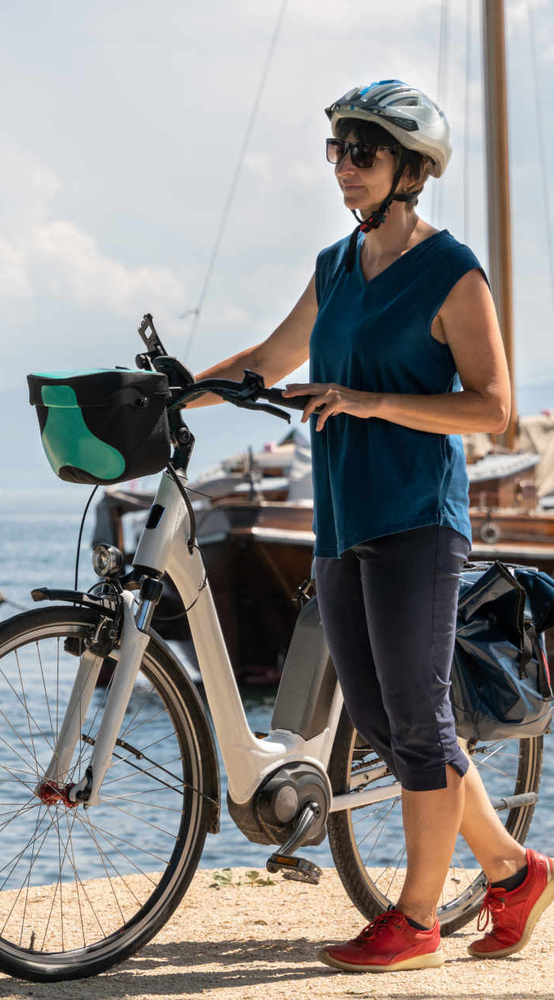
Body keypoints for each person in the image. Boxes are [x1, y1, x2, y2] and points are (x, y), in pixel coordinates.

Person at [190, 79, 554, 972]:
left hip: (416, 524)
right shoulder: (336, 268)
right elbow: (273, 358)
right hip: (341, 520)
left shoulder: (453, 272)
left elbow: (493, 410)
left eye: (364, 152)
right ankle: (514, 871)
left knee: (421, 724)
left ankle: (419, 921)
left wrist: (367, 400)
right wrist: (181, 391)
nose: (344, 167)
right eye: (338, 150)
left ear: (410, 169)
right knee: (391, 733)